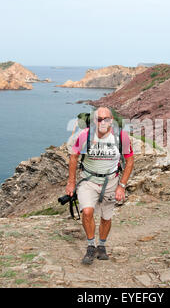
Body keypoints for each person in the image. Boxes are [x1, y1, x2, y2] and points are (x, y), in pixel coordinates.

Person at [66, 107, 134, 265]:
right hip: (88, 180)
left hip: (111, 182)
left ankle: (101, 245)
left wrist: (121, 186)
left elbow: (130, 161)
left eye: (106, 119)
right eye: (99, 119)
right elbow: (73, 157)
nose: (102, 122)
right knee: (87, 212)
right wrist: (71, 182)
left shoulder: (121, 137)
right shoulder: (85, 135)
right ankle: (91, 245)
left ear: (111, 120)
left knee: (106, 217)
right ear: (94, 121)